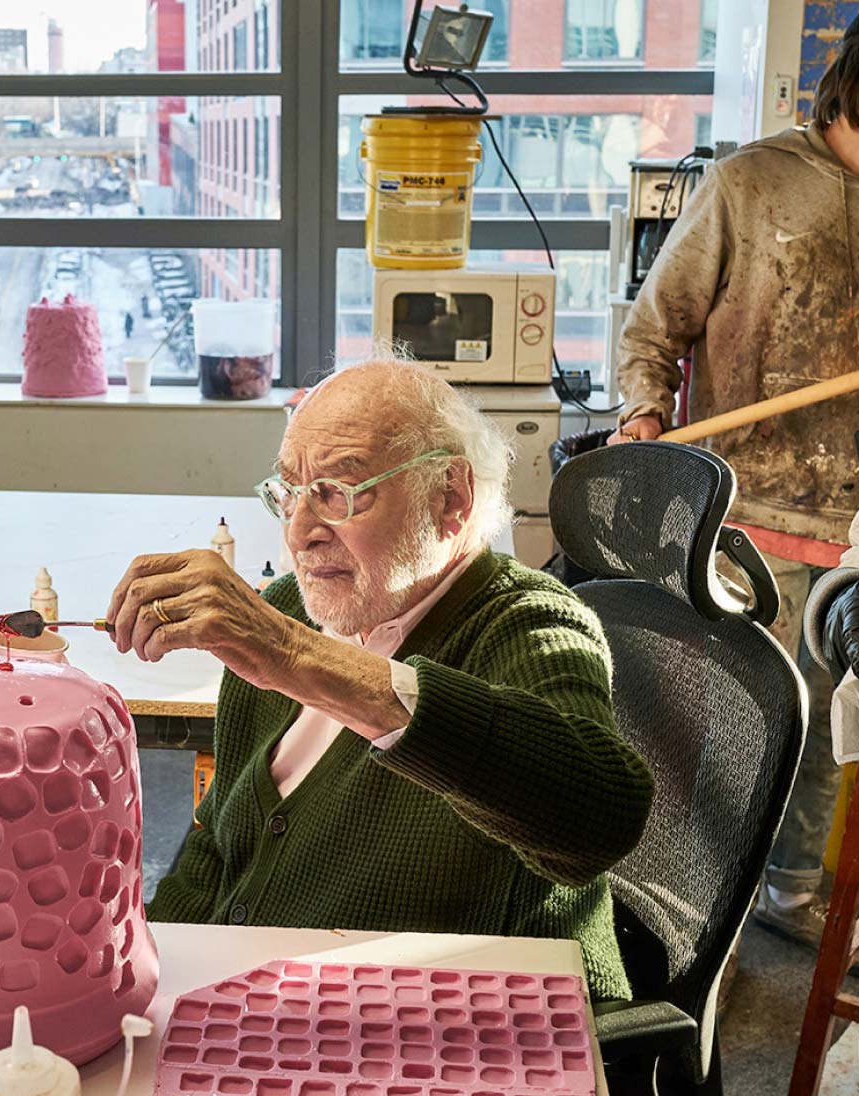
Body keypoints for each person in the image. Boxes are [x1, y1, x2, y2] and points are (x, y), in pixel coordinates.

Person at [120, 361, 655, 999]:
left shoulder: (528, 623)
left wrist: (297, 657)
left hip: (456, 1024)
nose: (299, 532)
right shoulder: (292, 607)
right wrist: (140, 970)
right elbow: (220, 847)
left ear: (451, 498)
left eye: (340, 492)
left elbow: (599, 815)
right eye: (290, 491)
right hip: (267, 999)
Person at [611, 9, 859, 947]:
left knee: (826, 739)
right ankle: (669, 911)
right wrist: (645, 419)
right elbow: (651, 334)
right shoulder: (748, 185)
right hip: (743, 517)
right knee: (713, 731)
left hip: (858, 528)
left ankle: (794, 897)